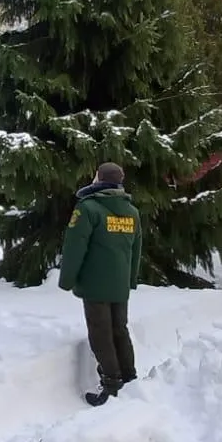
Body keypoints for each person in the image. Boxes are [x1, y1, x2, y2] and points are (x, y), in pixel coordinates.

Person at [58, 162, 144, 406]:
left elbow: (74, 247)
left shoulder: (88, 209)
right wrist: (130, 279)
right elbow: (136, 250)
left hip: (95, 284)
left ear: (98, 179)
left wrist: (67, 280)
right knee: (120, 329)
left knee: (100, 333)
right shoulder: (132, 212)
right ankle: (129, 377)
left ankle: (111, 383)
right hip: (120, 284)